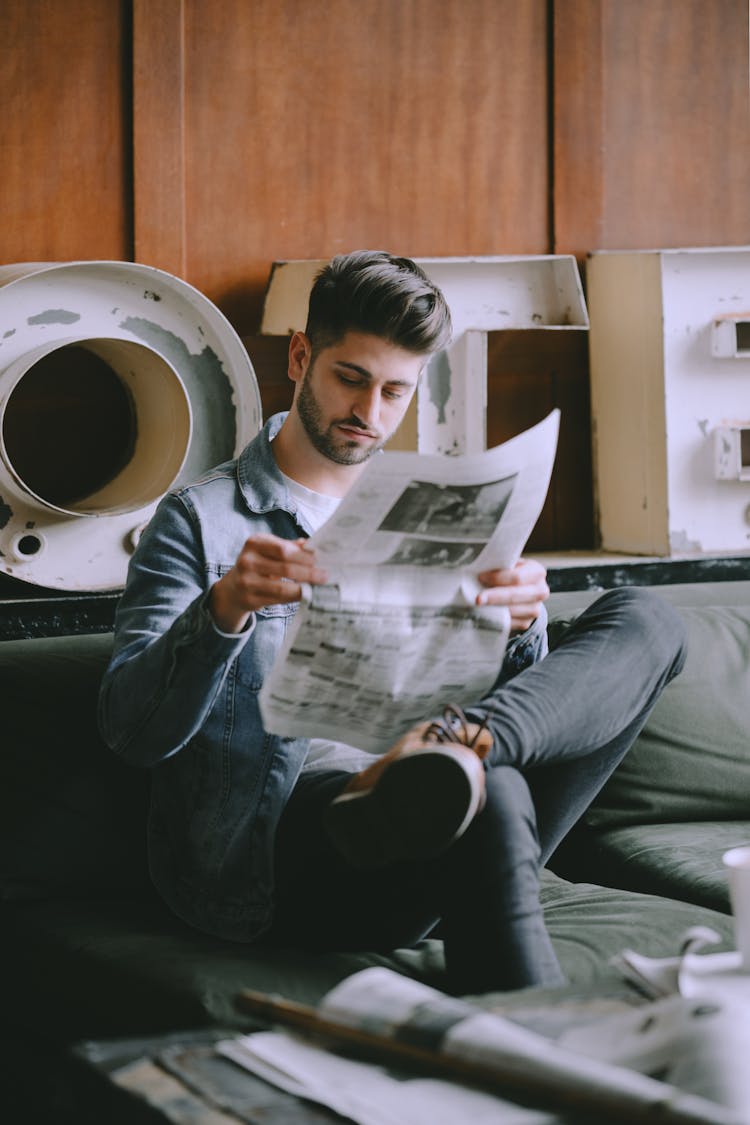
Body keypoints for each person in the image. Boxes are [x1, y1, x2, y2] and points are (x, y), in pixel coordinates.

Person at [98, 250, 687, 995]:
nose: (369, 414)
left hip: (451, 810)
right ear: (303, 355)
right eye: (351, 378)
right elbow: (130, 732)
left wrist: (519, 627)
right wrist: (224, 611)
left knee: (648, 617)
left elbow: (537, 694)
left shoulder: (434, 504)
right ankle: (458, 774)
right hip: (297, 843)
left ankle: (463, 747)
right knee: (491, 791)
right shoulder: (202, 522)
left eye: (394, 392)